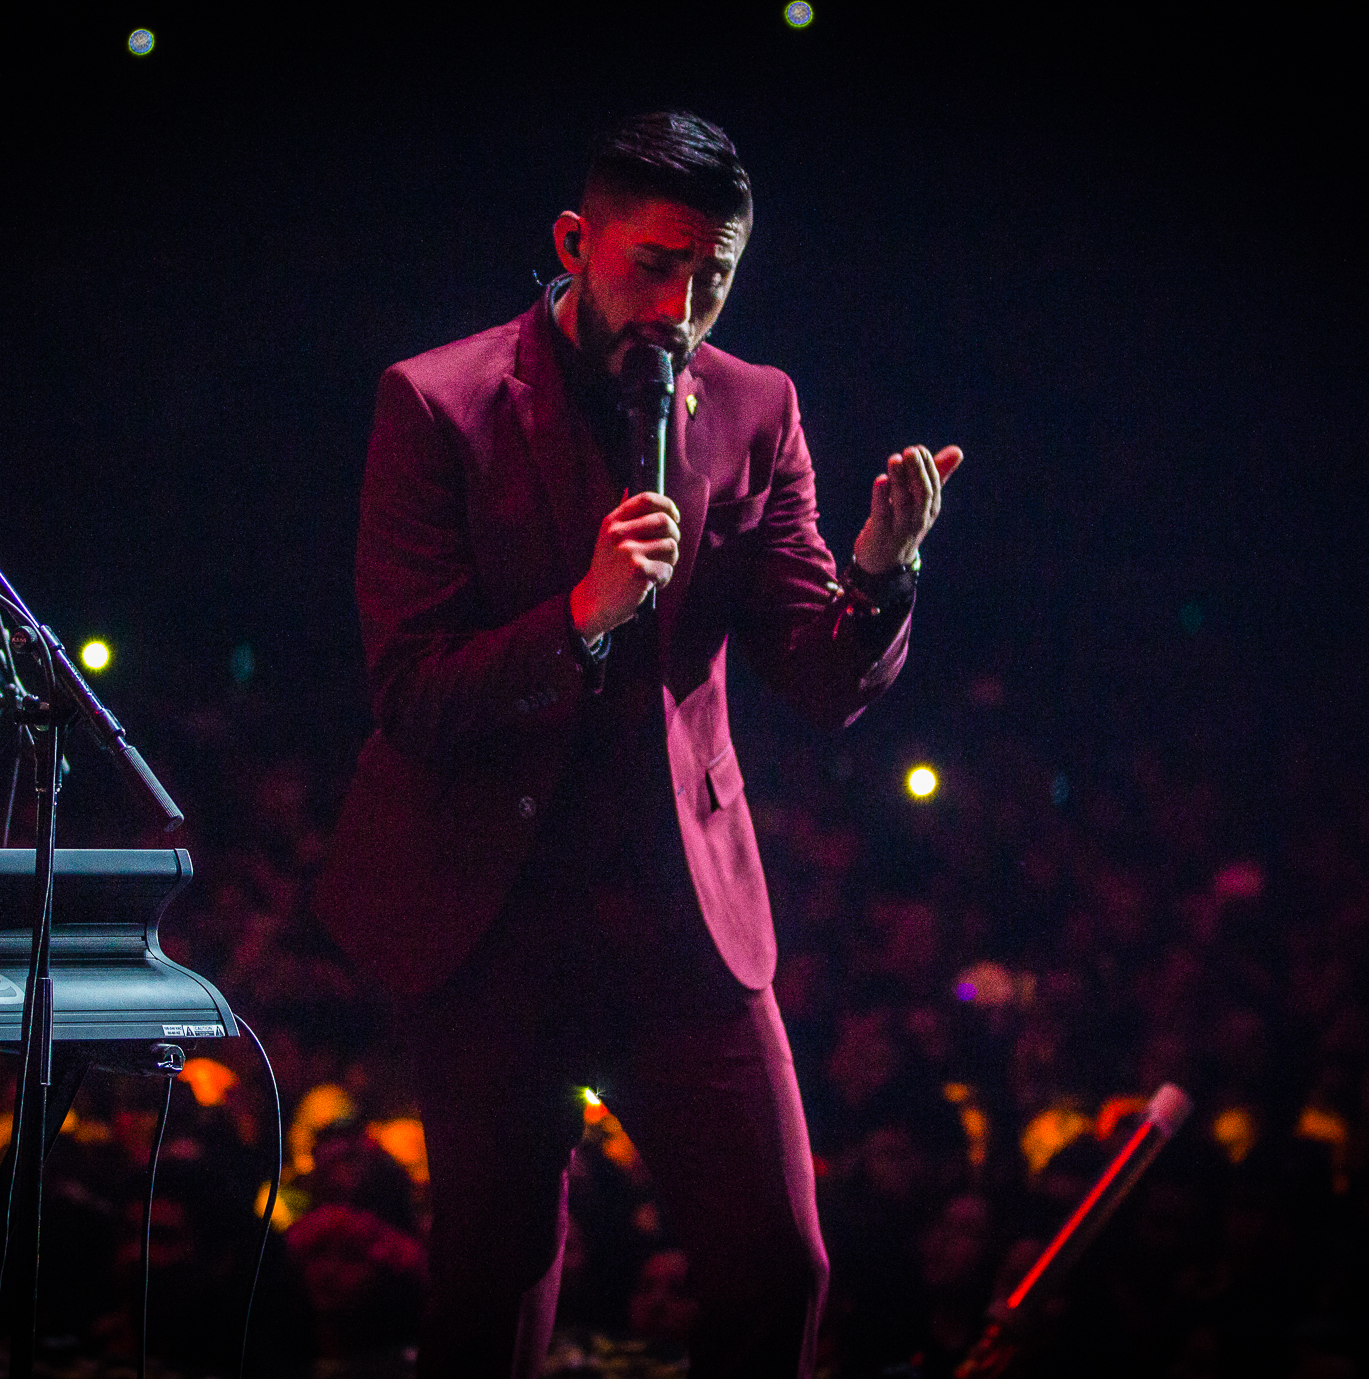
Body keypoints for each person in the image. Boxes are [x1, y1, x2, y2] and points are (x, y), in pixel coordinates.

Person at [315, 111, 962, 1377]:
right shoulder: (437, 403)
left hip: (679, 926)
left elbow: (818, 676)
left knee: (780, 1265)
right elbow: (410, 693)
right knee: (495, 1282)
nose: (677, 308)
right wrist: (578, 617)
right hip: (491, 923)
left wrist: (882, 574)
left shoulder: (757, 406)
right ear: (575, 241)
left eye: (710, 277)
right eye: (651, 266)